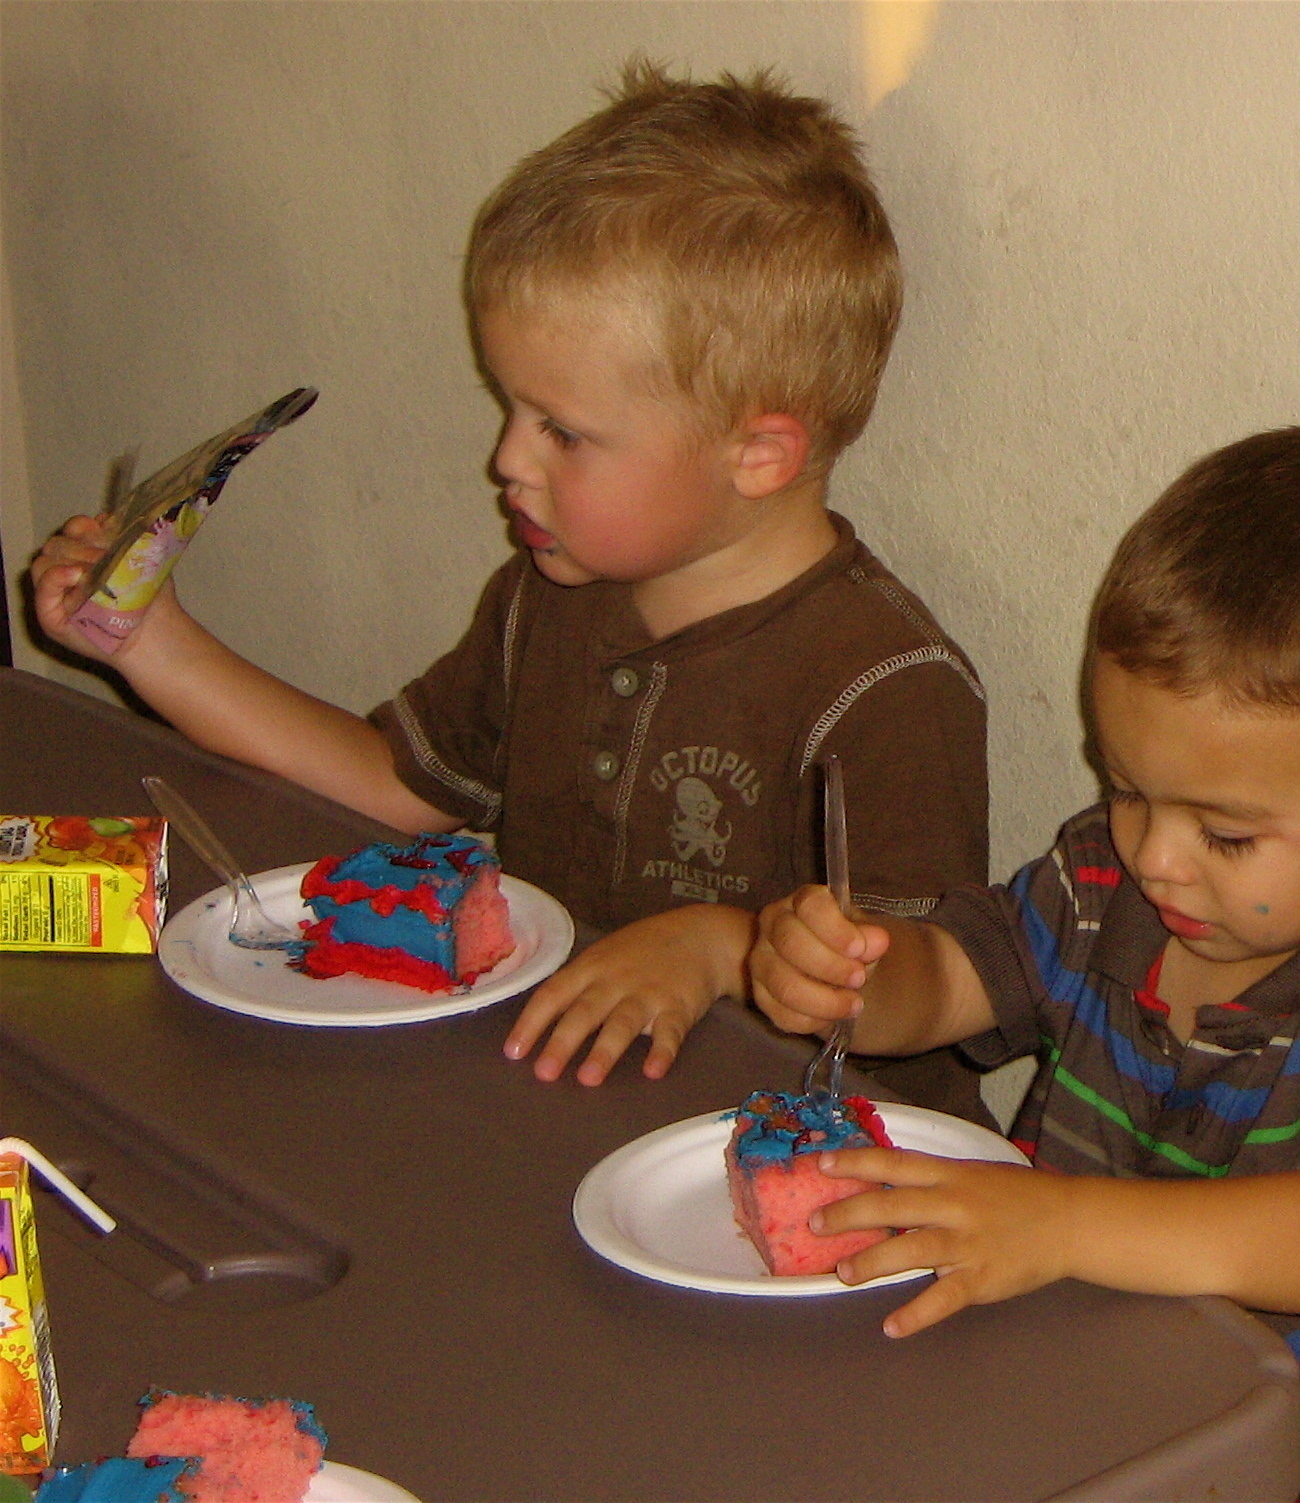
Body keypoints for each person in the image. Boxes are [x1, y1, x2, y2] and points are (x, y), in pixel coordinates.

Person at [30, 62, 990, 1115]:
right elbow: (396, 786)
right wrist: (147, 642)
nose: (507, 461)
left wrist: (723, 947)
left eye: (561, 431)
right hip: (560, 1099)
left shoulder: (884, 684)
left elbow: (914, 992)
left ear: (757, 455)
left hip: (815, 1148)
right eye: (510, 408)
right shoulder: (550, 595)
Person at [747, 428, 1300, 1503]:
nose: (1155, 856)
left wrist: (1061, 1223)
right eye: (1127, 789)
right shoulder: (1101, 882)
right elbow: (946, 984)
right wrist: (854, 976)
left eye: (1224, 833)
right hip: (1089, 1419)